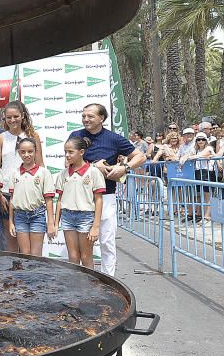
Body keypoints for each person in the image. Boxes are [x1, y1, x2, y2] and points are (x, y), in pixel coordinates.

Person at [68, 103, 144, 276]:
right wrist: (94, 166)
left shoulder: (114, 138)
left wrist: (125, 168)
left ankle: (109, 280)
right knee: (82, 247)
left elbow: (140, 156)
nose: (86, 119)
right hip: (80, 198)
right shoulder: (75, 135)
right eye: (84, 115)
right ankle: (83, 281)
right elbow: (68, 164)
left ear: (101, 118)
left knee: (107, 242)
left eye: (90, 116)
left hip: (106, 195)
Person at [0, 101, 43, 251]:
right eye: (9, 117)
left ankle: (30, 274)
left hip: (30, 194)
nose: (12, 120)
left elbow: (40, 165)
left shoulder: (33, 136)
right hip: (7, 194)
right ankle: (14, 273)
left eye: (15, 116)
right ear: (4, 118)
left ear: (23, 116)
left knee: (31, 246)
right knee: (11, 239)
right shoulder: (0, 138)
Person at [57, 136, 106, 269]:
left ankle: (89, 287)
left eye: (71, 152)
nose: (67, 155)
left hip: (86, 217)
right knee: (73, 257)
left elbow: (99, 199)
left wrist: (95, 226)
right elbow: (60, 200)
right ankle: (76, 287)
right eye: (65, 152)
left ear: (81, 152)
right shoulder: (63, 174)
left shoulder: (94, 172)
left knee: (86, 257)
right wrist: (56, 222)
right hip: (67, 217)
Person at [8, 138, 56, 257]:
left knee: (35, 255)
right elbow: (12, 200)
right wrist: (10, 222)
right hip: (20, 216)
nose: (27, 155)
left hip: (37, 216)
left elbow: (48, 200)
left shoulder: (44, 173)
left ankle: (37, 276)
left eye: (30, 151)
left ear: (36, 152)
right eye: (23, 152)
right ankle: (26, 276)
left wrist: (51, 223)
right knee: (25, 254)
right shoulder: (14, 173)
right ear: (19, 153)